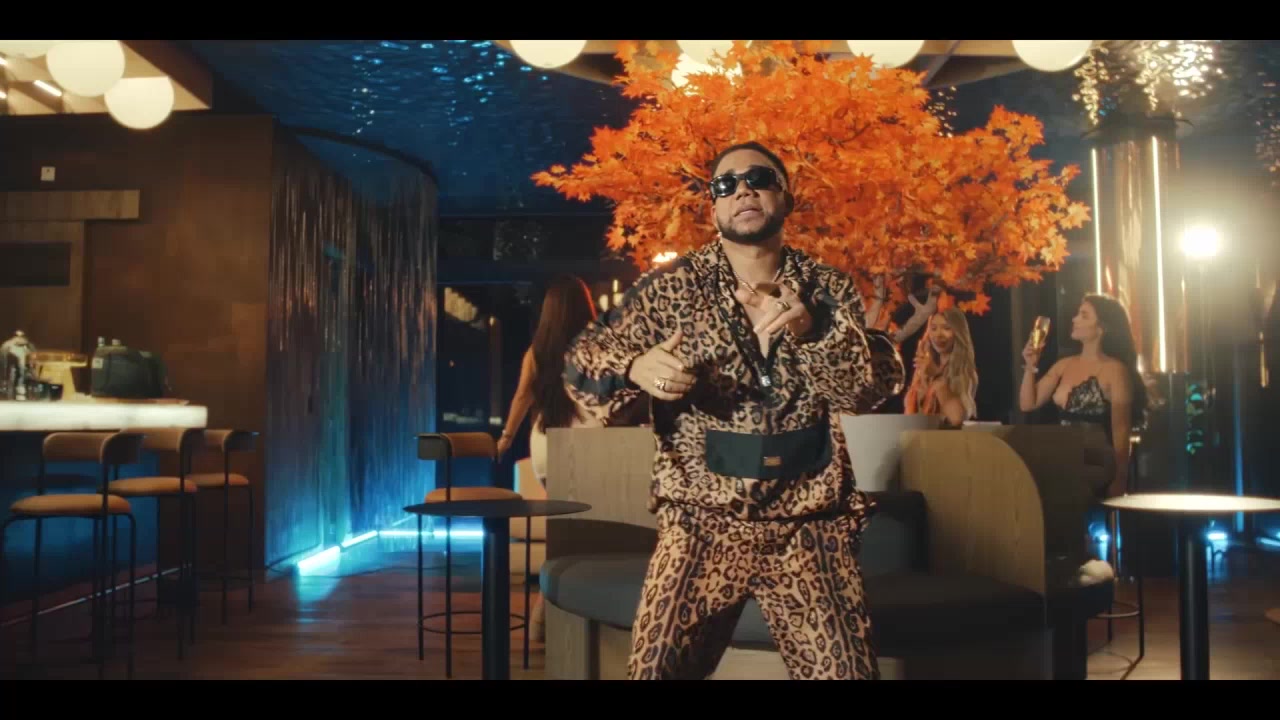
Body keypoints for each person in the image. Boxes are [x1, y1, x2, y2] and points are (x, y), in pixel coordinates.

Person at [562, 141, 905, 680]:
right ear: (714, 207)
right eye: (726, 184)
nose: (743, 190)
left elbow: (860, 394)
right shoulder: (672, 287)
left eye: (759, 179)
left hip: (808, 525)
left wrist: (812, 329)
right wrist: (635, 367)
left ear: (786, 197)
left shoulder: (827, 287)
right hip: (700, 522)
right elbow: (581, 363)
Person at [1019, 293, 1147, 498]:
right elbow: (1028, 403)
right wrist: (1030, 365)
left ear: (1102, 328)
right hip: (1063, 456)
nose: (1074, 319)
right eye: (1077, 314)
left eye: (1084, 315)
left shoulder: (1115, 370)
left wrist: (1120, 478)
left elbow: (1121, 430)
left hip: (1096, 460)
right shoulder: (1064, 365)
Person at [496, 274, 602, 479]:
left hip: (546, 444)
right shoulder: (599, 348)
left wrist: (506, 439)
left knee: (558, 498)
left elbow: (522, 396)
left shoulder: (537, 351)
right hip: (591, 443)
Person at [904, 307, 979, 427]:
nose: (938, 335)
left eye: (946, 328)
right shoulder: (926, 367)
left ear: (958, 332)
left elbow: (956, 419)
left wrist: (937, 376)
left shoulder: (965, 372)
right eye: (933, 328)